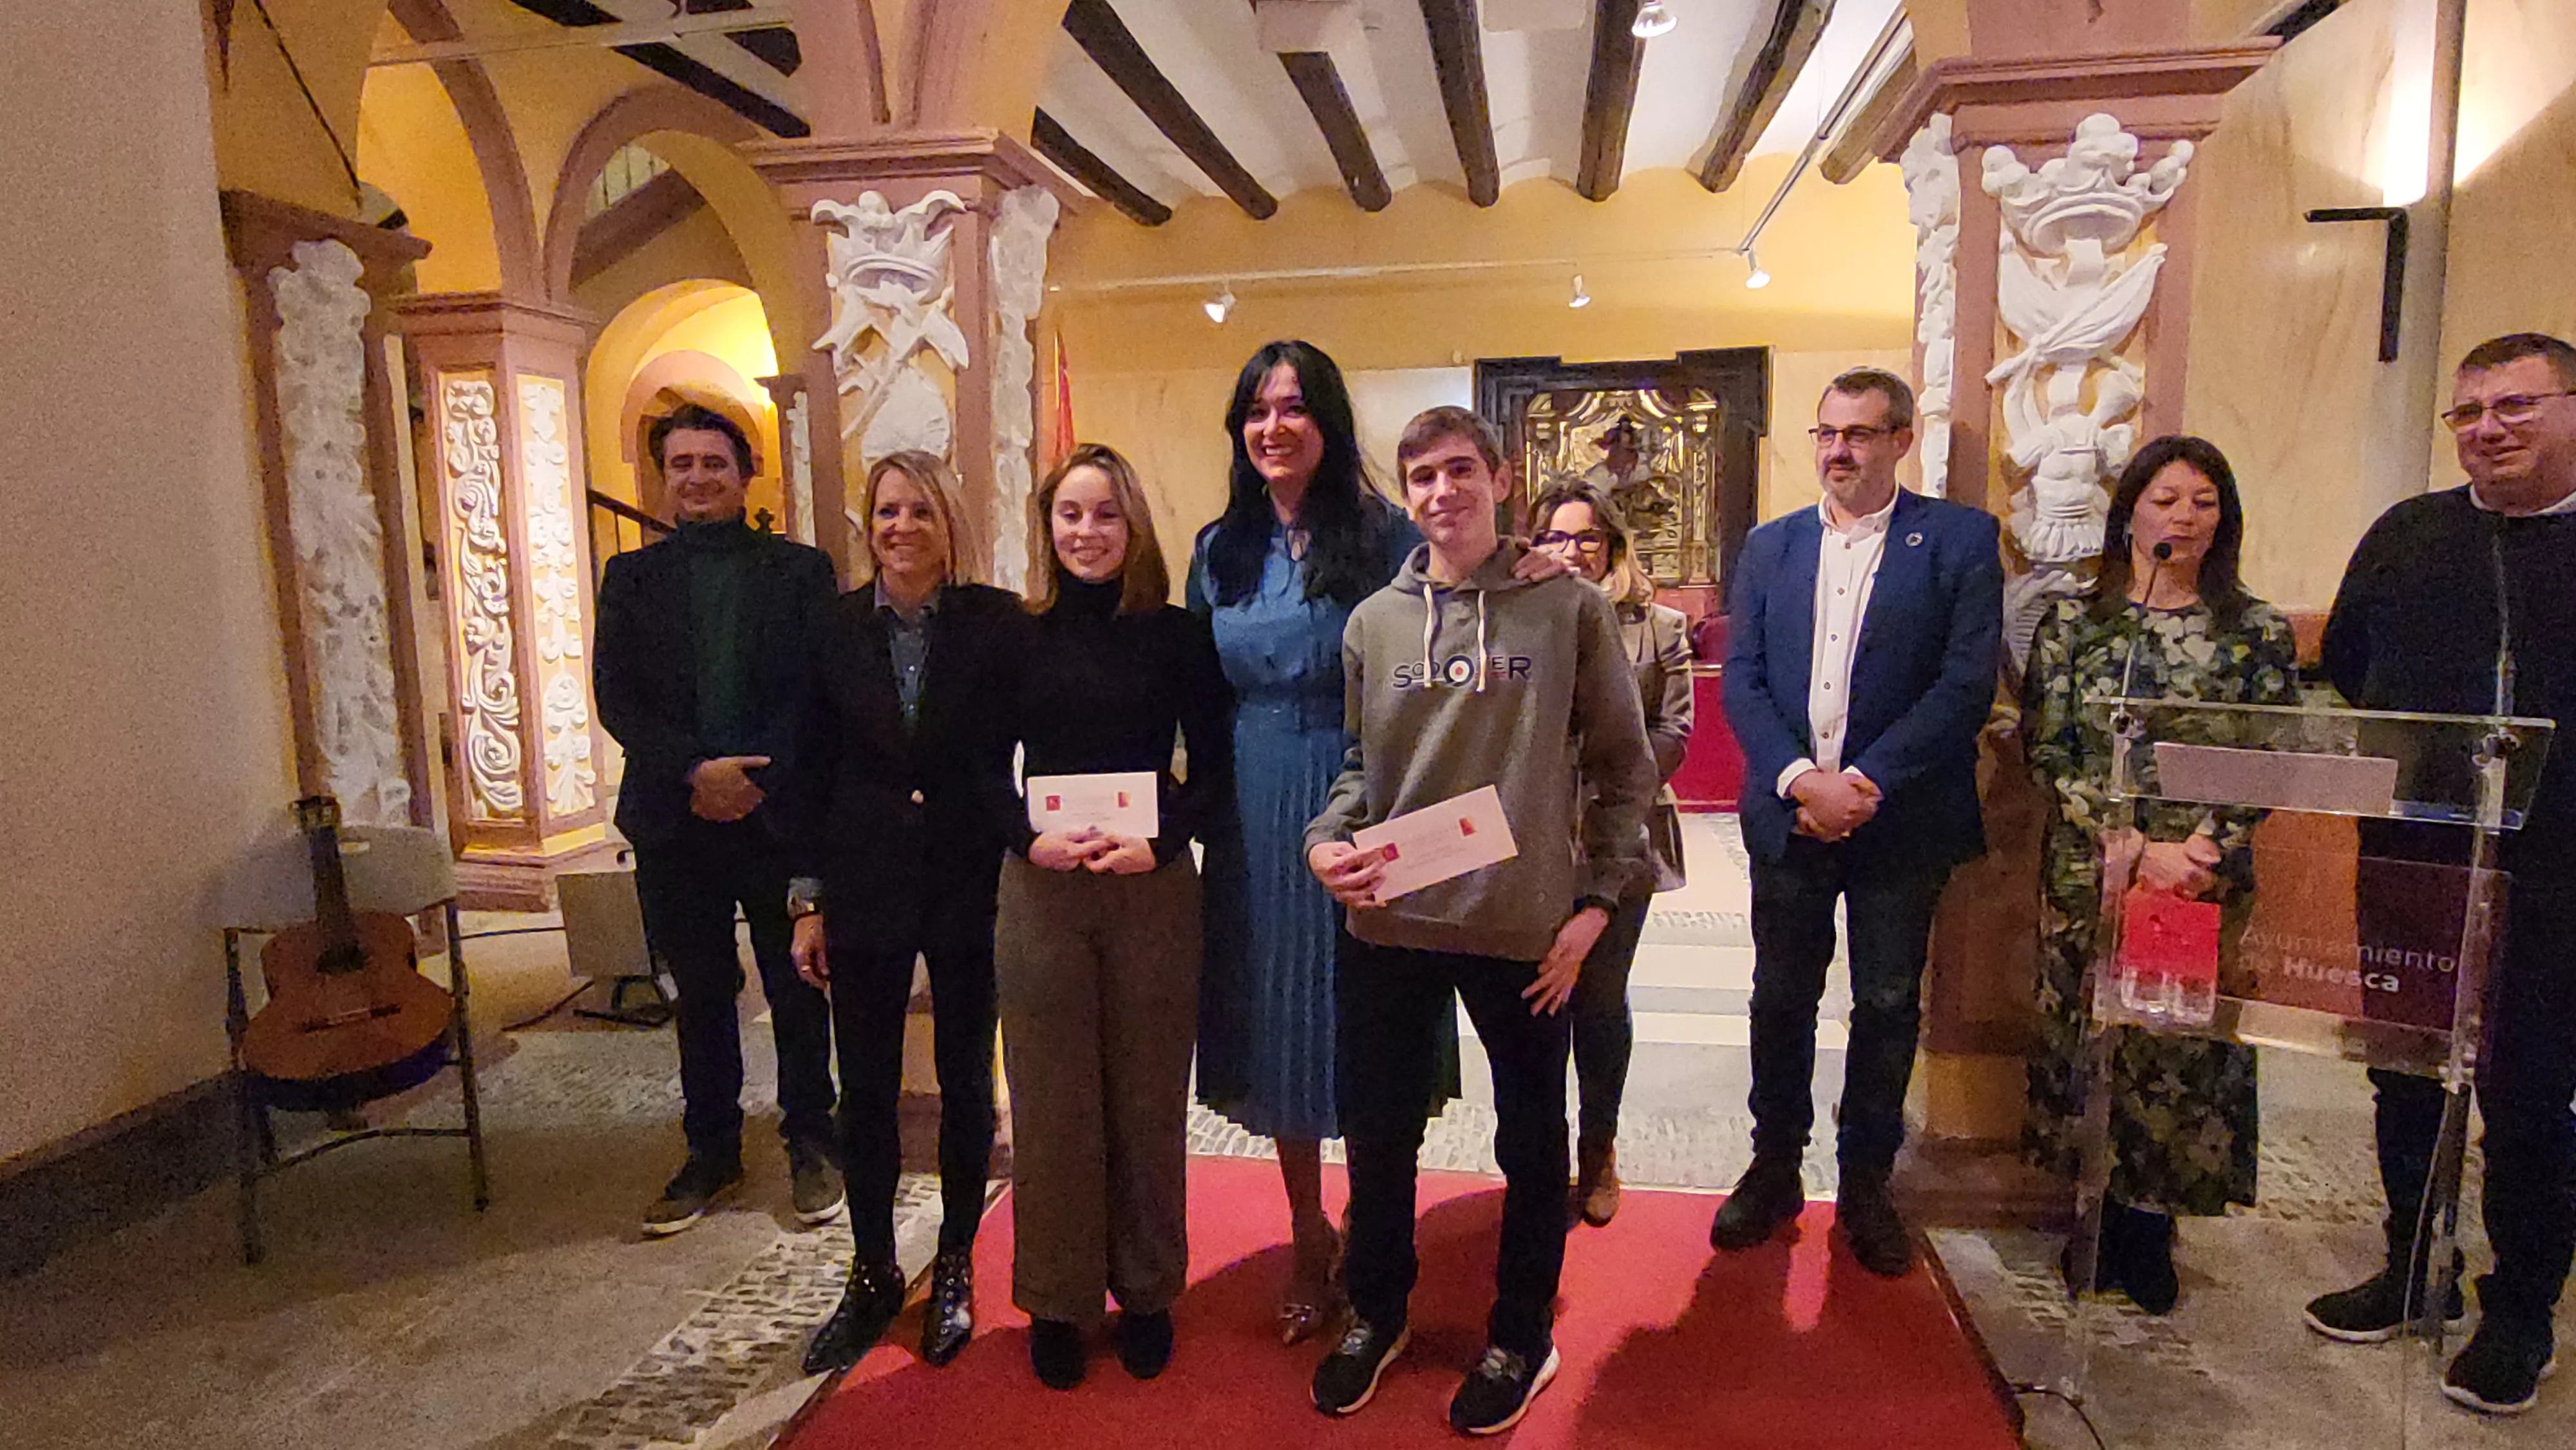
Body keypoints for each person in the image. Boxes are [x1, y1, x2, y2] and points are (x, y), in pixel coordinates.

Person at [1304, 406, 1655, 1435]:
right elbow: (1361, 772)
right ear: (1404, 494)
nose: (1441, 492)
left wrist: (1593, 907)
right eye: (1421, 476)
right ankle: (1376, 1313)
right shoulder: (1373, 623)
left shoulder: (1567, 610)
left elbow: (1626, 771)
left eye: (1461, 470)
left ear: (1501, 479)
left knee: (1532, 1144)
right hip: (1391, 922)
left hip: (1521, 933)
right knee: (1378, 1138)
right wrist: (1326, 843)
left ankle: (1520, 1334)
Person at [2303, 332, 2576, 1417]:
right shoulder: (2411, 536)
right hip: (2417, 856)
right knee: (2407, 1070)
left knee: (2527, 1094)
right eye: (2467, 412)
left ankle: (2520, 1312)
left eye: (2515, 404)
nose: (2488, 428)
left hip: (2557, 873)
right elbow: (2354, 666)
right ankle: (2414, 1269)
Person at [1712, 367, 2003, 1277]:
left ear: (1901, 441)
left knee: (1884, 1004)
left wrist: (1866, 781)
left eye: (1862, 434)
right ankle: (1773, 1168)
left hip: (1902, 817)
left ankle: (1868, 1183)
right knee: (1781, 996)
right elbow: (1744, 679)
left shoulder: (1957, 541)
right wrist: (1803, 781)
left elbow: (1965, 684)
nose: (1840, 451)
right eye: (1828, 433)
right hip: (1793, 815)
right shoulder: (1771, 546)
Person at [2018, 437, 2297, 1313]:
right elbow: (2046, 744)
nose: (2184, 516)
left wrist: (2198, 848)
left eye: (2204, 501)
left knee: (2173, 1048)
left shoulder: (2255, 629)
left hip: (2198, 877)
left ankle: (2152, 1228)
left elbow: (2271, 753)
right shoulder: (2079, 621)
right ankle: (2091, 1216)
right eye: (2166, 498)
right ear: (2130, 510)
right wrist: (2128, 844)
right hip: (2094, 868)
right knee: (2095, 1040)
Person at [1188, 340, 1430, 1344]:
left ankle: (1377, 1239)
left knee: (1365, 1019)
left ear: (1327, 422)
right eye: (1257, 408)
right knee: (1278, 1018)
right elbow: (1194, 692)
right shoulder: (1218, 547)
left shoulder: (1387, 536)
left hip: (1362, 788)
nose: (1274, 426)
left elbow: (1432, 664)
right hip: (1249, 803)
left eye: (1294, 406)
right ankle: (1303, 1231)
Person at [995, 444, 1233, 1391]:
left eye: (1104, 516)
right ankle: (1056, 1300)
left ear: (1131, 527)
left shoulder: (1178, 637)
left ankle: (1147, 1291)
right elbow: (978, 771)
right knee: (1052, 1107)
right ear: (1046, 528)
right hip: (1043, 886)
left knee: (1144, 1099)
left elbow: (1214, 773)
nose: (1086, 533)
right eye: (1069, 515)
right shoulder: (1014, 635)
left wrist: (1163, 841)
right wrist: (1026, 838)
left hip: (1151, 887)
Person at [791, 453, 1021, 1374]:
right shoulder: (831, 629)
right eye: (886, 511)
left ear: (948, 521)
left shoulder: (996, 623)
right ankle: (875, 1268)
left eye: (920, 509)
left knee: (968, 1084)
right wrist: (806, 900)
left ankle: (956, 1263)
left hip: (970, 879)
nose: (901, 526)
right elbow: (806, 768)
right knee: (869, 1090)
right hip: (864, 882)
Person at [592, 403, 843, 1237]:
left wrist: (749, 777)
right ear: (664, 479)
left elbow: (814, 695)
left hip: (777, 813)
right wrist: (696, 770)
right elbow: (617, 698)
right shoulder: (629, 579)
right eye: (681, 464)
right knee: (699, 991)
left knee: (797, 988)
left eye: (713, 462)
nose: (697, 477)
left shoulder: (801, 572)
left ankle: (812, 1138)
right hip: (675, 814)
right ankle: (712, 1151)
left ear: (746, 472)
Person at [1530, 483, 1694, 1227]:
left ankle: (1598, 1149)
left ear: (1613, 546)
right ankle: (1538, 1150)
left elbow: (1674, 729)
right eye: (1556, 537)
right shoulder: (1519, 620)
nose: (1571, 551)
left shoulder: (1656, 626)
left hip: (1620, 839)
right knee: (1536, 1003)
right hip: (1531, 839)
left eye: (1586, 538)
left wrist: (1608, 785)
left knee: (1598, 997)